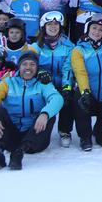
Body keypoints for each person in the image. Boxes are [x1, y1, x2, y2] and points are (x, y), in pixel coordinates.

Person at [0, 51, 66, 171]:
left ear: (37, 68)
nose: (28, 67)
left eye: (32, 64)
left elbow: (57, 98)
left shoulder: (42, 84)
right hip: (10, 134)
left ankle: (19, 152)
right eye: (24, 64)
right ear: (19, 67)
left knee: (49, 115)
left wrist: (45, 114)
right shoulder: (9, 83)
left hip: (33, 136)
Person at [69, 13, 102, 151]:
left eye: (101, 30)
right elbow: (80, 72)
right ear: (87, 29)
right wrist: (85, 91)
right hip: (88, 95)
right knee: (79, 99)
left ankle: (99, 129)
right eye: (94, 28)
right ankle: (85, 137)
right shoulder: (79, 50)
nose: (97, 32)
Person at [31, 11, 75, 147]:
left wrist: (67, 86)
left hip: (61, 82)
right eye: (49, 24)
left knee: (68, 96)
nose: (53, 27)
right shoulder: (36, 47)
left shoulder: (68, 46)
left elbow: (68, 69)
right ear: (43, 27)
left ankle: (64, 130)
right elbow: (30, 65)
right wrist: (40, 72)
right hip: (44, 84)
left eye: (56, 24)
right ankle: (38, 126)